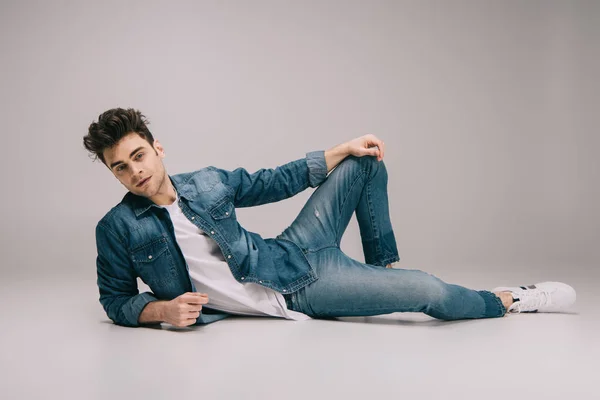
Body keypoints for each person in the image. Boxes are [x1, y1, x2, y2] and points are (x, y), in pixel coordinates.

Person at [83, 108, 576, 328]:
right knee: (427, 292)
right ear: (112, 173)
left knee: (363, 161)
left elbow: (274, 180)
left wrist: (340, 148)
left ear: (158, 147)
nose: (135, 172)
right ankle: (513, 299)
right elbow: (116, 299)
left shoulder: (207, 182)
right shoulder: (117, 228)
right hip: (301, 288)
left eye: (140, 155)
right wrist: (160, 312)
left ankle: (381, 268)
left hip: (291, 250)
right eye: (120, 167)